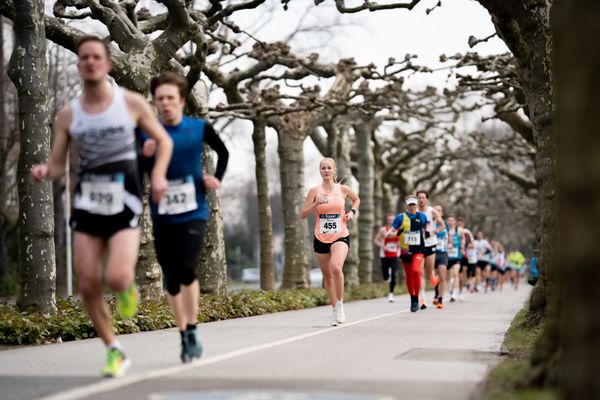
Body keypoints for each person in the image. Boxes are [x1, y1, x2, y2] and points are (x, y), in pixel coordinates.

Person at [31, 36, 173, 377]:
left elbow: (164, 141)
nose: (90, 62)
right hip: (87, 203)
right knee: (89, 284)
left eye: (97, 57)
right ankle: (114, 350)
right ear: (79, 66)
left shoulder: (132, 103)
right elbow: (57, 163)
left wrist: (159, 176)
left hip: (123, 200)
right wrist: (44, 171)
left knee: (117, 275)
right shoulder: (68, 114)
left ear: (107, 65)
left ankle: (127, 287)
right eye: (84, 58)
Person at [141, 72, 229, 363]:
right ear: (155, 102)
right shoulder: (147, 132)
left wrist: (216, 178)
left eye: (171, 99)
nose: (165, 104)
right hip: (162, 212)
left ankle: (192, 328)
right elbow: (134, 168)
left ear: (180, 101)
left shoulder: (198, 127)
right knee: (172, 278)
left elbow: (223, 152)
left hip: (194, 209)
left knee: (186, 267)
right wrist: (144, 155)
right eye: (160, 99)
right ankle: (183, 333)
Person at [301, 158, 359, 326]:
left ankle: (340, 305)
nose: (326, 170)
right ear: (320, 171)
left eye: (329, 168)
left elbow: (356, 199)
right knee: (327, 276)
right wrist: (315, 204)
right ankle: (334, 308)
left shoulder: (343, 189)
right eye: (323, 168)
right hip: (321, 237)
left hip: (340, 234)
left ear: (334, 170)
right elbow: (303, 214)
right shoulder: (314, 191)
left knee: (335, 267)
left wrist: (352, 212)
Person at [386, 195, 428, 312]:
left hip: (419, 250)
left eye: (413, 204)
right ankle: (413, 299)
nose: (412, 207)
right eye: (410, 204)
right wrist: (392, 234)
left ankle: (417, 296)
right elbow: (393, 230)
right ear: (406, 205)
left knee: (416, 271)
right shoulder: (400, 217)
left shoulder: (422, 217)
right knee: (409, 276)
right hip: (405, 251)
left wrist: (429, 232)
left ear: (416, 205)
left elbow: (427, 227)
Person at [416, 191, 444, 309]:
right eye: (419, 198)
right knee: (419, 272)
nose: (421, 200)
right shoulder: (414, 211)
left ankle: (434, 279)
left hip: (431, 244)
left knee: (429, 273)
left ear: (426, 199)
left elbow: (442, 225)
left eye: (423, 198)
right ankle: (422, 299)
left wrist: (433, 233)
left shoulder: (432, 211)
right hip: (419, 245)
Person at [374, 215, 401, 302]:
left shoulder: (399, 230)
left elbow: (403, 241)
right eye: (390, 220)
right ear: (387, 221)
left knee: (393, 273)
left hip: (395, 254)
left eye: (393, 220)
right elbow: (376, 240)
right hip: (384, 254)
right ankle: (386, 277)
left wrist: (399, 244)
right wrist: (382, 246)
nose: (391, 221)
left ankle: (391, 293)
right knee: (385, 273)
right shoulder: (383, 230)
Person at [432, 205, 448, 308]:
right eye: (435, 210)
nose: (437, 212)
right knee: (433, 277)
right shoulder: (430, 224)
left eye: (439, 210)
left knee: (442, 276)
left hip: (442, 253)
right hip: (432, 252)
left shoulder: (445, 224)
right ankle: (436, 293)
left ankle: (440, 299)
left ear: (441, 213)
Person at [446, 214, 465, 302]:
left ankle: (454, 293)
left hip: (457, 255)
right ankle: (451, 287)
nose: (450, 222)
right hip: (447, 256)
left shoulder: (459, 230)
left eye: (452, 220)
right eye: (449, 220)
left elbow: (463, 239)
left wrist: (462, 245)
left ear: (455, 222)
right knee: (449, 275)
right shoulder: (445, 230)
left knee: (456, 273)